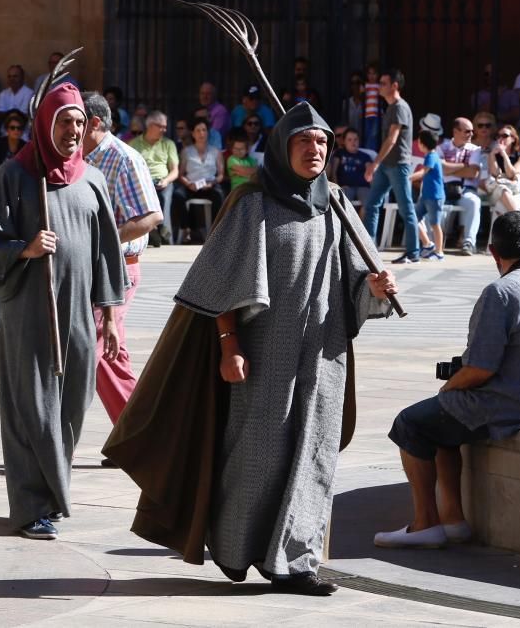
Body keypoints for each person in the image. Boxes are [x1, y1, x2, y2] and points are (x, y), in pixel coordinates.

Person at [105, 101, 397, 595]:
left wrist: (375, 285)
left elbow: (356, 285)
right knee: (257, 455)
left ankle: (298, 562)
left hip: (324, 355)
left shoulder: (339, 205)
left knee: (315, 454)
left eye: (322, 142)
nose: (316, 150)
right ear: (283, 148)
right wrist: (228, 345)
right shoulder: (252, 203)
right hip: (263, 355)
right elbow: (220, 283)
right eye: (304, 141)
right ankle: (240, 551)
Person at [0, 82, 124, 541]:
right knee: (31, 408)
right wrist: (27, 249)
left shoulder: (92, 180)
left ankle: (53, 496)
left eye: (79, 122)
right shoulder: (14, 176)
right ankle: (31, 506)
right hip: (29, 310)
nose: (74, 130)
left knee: (73, 404)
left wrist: (110, 316)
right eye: (65, 122)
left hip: (77, 314)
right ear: (46, 125)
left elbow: (106, 255)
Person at [375, 211, 520, 548]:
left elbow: (480, 369)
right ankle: (453, 519)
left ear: (493, 252)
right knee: (442, 423)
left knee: (410, 423)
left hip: (513, 404)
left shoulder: (501, 292)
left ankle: (425, 524)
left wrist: (449, 387)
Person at [82, 91, 162, 430]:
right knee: (112, 353)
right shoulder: (79, 158)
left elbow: (151, 216)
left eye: (75, 122)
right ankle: (140, 434)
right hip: (90, 267)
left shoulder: (124, 158)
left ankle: (138, 435)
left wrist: (103, 238)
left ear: (95, 124)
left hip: (118, 269)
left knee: (89, 346)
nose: (68, 130)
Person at [361, 69, 420, 263]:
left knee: (406, 209)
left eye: (383, 83)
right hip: (387, 165)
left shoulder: (400, 107)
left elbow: (392, 139)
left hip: (398, 165)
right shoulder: (390, 107)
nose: (379, 86)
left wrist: (374, 164)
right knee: (372, 205)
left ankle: (413, 253)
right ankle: (370, 249)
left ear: (395, 85)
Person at [129, 110, 178, 245]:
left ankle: (161, 230)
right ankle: (152, 229)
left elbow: (175, 171)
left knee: (163, 197)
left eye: (165, 126)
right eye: (161, 126)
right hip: (142, 183)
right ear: (150, 125)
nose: (164, 129)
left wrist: (166, 180)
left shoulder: (168, 144)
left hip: (163, 182)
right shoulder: (134, 144)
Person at [172, 117, 225, 243]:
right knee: (178, 195)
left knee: (219, 194)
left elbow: (221, 174)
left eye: (204, 130)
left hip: (210, 185)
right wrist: (188, 184)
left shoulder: (215, 151)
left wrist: (212, 183)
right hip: (192, 185)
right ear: (193, 133)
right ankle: (186, 229)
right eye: (198, 130)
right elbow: (181, 174)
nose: (202, 133)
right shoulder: (186, 151)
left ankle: (216, 230)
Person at [438, 117, 484, 255]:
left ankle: (469, 242)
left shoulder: (475, 149)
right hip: (444, 189)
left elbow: (473, 172)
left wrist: (449, 167)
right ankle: (433, 244)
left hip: (465, 190)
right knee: (432, 202)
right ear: (455, 131)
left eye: (472, 131)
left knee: (474, 202)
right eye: (467, 131)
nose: (471, 134)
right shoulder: (442, 147)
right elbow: (441, 169)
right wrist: (464, 165)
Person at [411, 130, 446, 261]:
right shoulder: (430, 155)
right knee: (413, 217)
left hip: (434, 196)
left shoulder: (431, 156)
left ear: (423, 143)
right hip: (426, 196)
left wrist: (408, 178)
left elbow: (422, 172)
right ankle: (427, 244)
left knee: (435, 224)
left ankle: (439, 252)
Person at [485, 124, 520, 215]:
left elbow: (511, 174)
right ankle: (518, 221)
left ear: (513, 139)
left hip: (517, 193)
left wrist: (504, 155)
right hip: (497, 192)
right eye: (498, 136)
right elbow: (496, 174)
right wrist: (493, 154)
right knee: (502, 189)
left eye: (505, 136)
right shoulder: (493, 155)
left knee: (502, 206)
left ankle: (515, 222)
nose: (501, 139)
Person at [329, 128, 371, 208]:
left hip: (363, 186)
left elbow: (371, 173)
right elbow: (333, 172)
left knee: (369, 204)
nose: (353, 142)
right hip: (345, 186)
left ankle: (361, 221)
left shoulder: (366, 156)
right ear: (344, 141)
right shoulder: (339, 153)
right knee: (342, 204)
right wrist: (337, 187)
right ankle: (347, 221)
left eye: (355, 139)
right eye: (349, 140)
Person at [0, 110, 27, 174]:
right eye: (12, 128)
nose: (16, 130)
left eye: (19, 128)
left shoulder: (25, 147)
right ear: (7, 129)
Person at [361, 62, 382, 151]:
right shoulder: (365, 86)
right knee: (367, 134)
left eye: (374, 73)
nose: (372, 76)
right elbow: (362, 97)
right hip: (367, 114)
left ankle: (371, 151)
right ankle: (367, 150)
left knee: (373, 135)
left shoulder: (379, 86)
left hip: (376, 114)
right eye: (369, 73)